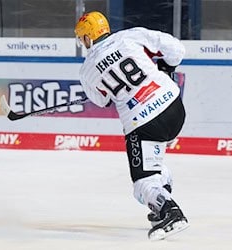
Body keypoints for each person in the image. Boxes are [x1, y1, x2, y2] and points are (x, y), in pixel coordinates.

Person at [74, 11, 189, 240]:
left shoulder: (87, 70)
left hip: (143, 123)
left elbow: (103, 101)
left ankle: (170, 211)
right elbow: (176, 50)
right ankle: (160, 203)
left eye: (82, 38)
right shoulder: (131, 36)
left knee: (142, 183)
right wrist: (167, 68)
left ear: (87, 37)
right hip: (174, 108)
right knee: (153, 162)